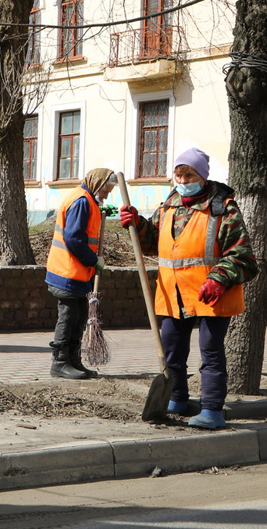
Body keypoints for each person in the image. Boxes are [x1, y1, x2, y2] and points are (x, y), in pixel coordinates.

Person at [120, 148, 257, 430]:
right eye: (179, 174)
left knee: (210, 352)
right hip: (175, 294)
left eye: (189, 174)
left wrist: (218, 278)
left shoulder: (223, 207)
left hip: (211, 295)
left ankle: (211, 410)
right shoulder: (170, 204)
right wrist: (138, 225)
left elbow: (243, 256)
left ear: (203, 177)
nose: (183, 180)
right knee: (172, 347)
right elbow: (153, 243)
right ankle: (178, 397)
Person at [44, 168, 116, 380]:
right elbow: (74, 238)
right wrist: (93, 260)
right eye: (106, 191)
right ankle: (59, 362)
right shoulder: (81, 202)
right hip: (66, 271)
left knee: (78, 318)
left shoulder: (88, 200)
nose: (106, 195)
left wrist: (100, 209)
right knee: (68, 317)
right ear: (98, 185)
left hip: (76, 272)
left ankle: (74, 361)